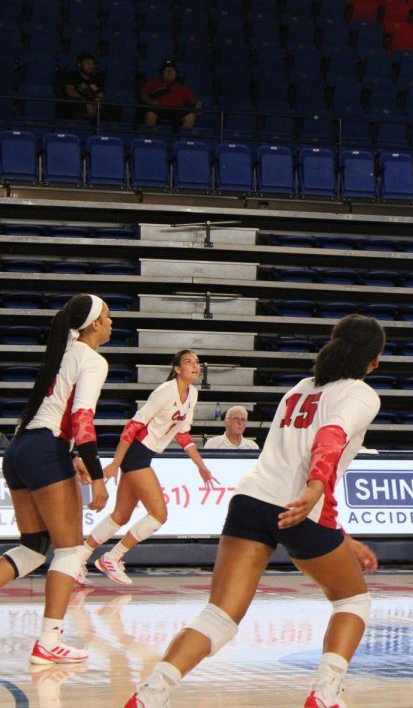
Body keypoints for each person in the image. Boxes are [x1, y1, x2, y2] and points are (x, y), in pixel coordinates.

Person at [124, 315, 385, 708]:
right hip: (299, 509)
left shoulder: (299, 388)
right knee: (352, 602)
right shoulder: (363, 394)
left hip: (251, 499)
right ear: (375, 360)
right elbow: (331, 437)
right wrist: (316, 486)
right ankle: (325, 695)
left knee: (219, 616)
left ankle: (149, 695)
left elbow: (286, 463)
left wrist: (342, 538)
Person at [0, 294, 111, 664]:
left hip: (19, 449)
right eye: (107, 317)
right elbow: (81, 418)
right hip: (46, 449)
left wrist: (76, 456)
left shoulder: (62, 354)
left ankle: (48, 642)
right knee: (69, 550)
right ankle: (48, 642)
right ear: (94, 323)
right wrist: (97, 475)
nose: (112, 323)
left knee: (33, 547)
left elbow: (54, 410)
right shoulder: (93, 359)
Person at [83, 351, 218, 587]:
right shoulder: (166, 390)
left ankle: (77, 560)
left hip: (144, 456)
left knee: (120, 516)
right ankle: (112, 557)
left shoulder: (193, 393)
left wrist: (201, 466)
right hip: (136, 453)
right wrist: (115, 463)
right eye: (189, 362)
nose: (195, 366)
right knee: (159, 515)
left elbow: (183, 435)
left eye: (197, 362)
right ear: (177, 368)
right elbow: (133, 426)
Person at [139, 60, 201, 129]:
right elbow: (143, 94)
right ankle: (153, 137)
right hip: (159, 108)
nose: (170, 72)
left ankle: (183, 139)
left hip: (176, 110)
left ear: (176, 73)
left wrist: (198, 104)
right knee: (150, 114)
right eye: (166, 70)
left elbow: (194, 100)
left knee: (191, 116)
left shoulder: (182, 87)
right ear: (162, 73)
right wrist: (150, 101)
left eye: (172, 70)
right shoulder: (153, 83)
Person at [59, 52, 106, 121]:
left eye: (93, 63)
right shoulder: (73, 75)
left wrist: (97, 102)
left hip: (93, 105)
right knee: (76, 107)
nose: (91, 66)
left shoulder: (96, 78)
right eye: (88, 63)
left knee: (113, 109)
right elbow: (70, 91)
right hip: (77, 104)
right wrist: (85, 102)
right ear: (79, 65)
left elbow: (101, 95)